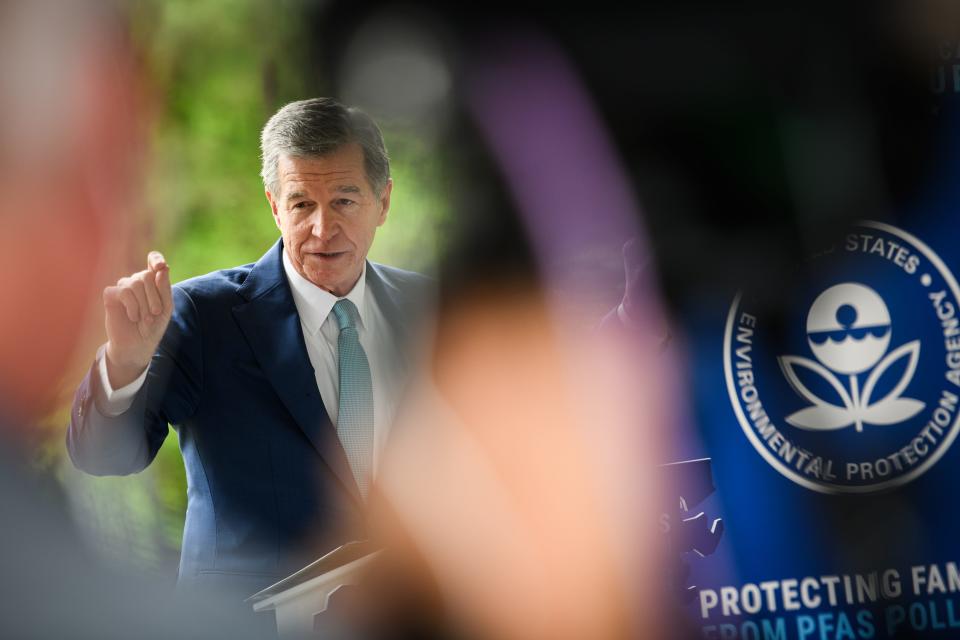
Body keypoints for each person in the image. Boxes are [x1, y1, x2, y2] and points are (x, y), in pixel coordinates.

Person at [67, 97, 433, 599]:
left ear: (383, 202)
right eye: (302, 204)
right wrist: (124, 363)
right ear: (274, 205)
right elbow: (102, 455)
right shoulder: (201, 314)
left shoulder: (430, 309)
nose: (323, 229)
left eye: (345, 200)